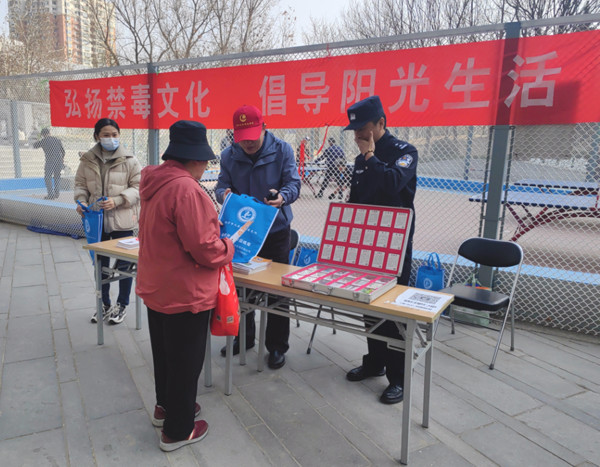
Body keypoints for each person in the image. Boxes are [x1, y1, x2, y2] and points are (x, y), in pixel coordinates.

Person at [136, 120, 234, 452]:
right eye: (205, 161)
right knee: (185, 362)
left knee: (165, 355)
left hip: (158, 287)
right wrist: (228, 247)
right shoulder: (187, 190)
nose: (206, 167)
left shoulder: (155, 181)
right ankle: (177, 431)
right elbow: (205, 249)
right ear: (196, 158)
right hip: (185, 292)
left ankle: (166, 408)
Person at [343, 95, 418, 405]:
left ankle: (397, 378)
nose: (358, 135)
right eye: (355, 130)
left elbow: (392, 184)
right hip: (367, 244)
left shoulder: (405, 152)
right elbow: (355, 200)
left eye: (363, 128)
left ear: (381, 124)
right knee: (369, 305)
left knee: (392, 311)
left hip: (395, 245)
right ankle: (374, 362)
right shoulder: (361, 160)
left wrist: (371, 156)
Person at [215, 105, 301, 369]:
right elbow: (221, 186)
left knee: (277, 291)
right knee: (243, 287)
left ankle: (276, 346)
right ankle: (244, 337)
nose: (248, 143)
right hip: (243, 233)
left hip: (275, 231)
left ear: (264, 127)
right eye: (242, 139)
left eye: (253, 137)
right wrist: (224, 195)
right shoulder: (229, 155)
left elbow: (294, 183)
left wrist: (282, 197)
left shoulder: (282, 150)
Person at [74, 118, 141, 325]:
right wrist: (81, 201)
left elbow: (139, 187)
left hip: (123, 221)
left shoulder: (130, 160)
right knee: (100, 265)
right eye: (106, 135)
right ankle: (103, 304)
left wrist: (118, 200)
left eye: (114, 134)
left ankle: (121, 305)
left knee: (125, 265)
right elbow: (80, 185)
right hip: (97, 221)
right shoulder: (87, 160)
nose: (111, 138)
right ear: (97, 136)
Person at [33, 128, 65, 199]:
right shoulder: (57, 140)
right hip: (58, 160)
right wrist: (62, 158)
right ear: (49, 133)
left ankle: (50, 194)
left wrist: (38, 138)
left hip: (50, 161)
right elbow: (63, 152)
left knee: (48, 177)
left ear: (43, 135)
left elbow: (35, 146)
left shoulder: (44, 140)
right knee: (57, 177)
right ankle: (57, 193)